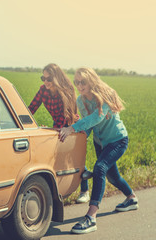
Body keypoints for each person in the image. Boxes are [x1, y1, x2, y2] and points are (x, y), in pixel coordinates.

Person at [58, 67, 138, 234]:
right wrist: (76, 137)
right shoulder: (80, 100)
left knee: (100, 168)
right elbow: (89, 125)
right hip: (100, 142)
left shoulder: (105, 95)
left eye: (83, 82)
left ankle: (91, 217)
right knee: (112, 175)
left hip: (117, 140)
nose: (79, 85)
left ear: (91, 80)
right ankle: (131, 198)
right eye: (76, 82)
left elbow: (96, 117)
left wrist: (73, 128)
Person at [28, 63, 90, 202]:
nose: (46, 82)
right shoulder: (43, 90)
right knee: (56, 156)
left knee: (73, 158)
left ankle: (85, 190)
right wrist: (22, 122)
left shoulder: (67, 90)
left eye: (49, 79)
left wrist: (59, 130)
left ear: (56, 78)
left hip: (71, 124)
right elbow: (31, 108)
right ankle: (58, 190)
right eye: (43, 78)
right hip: (57, 125)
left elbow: (69, 115)